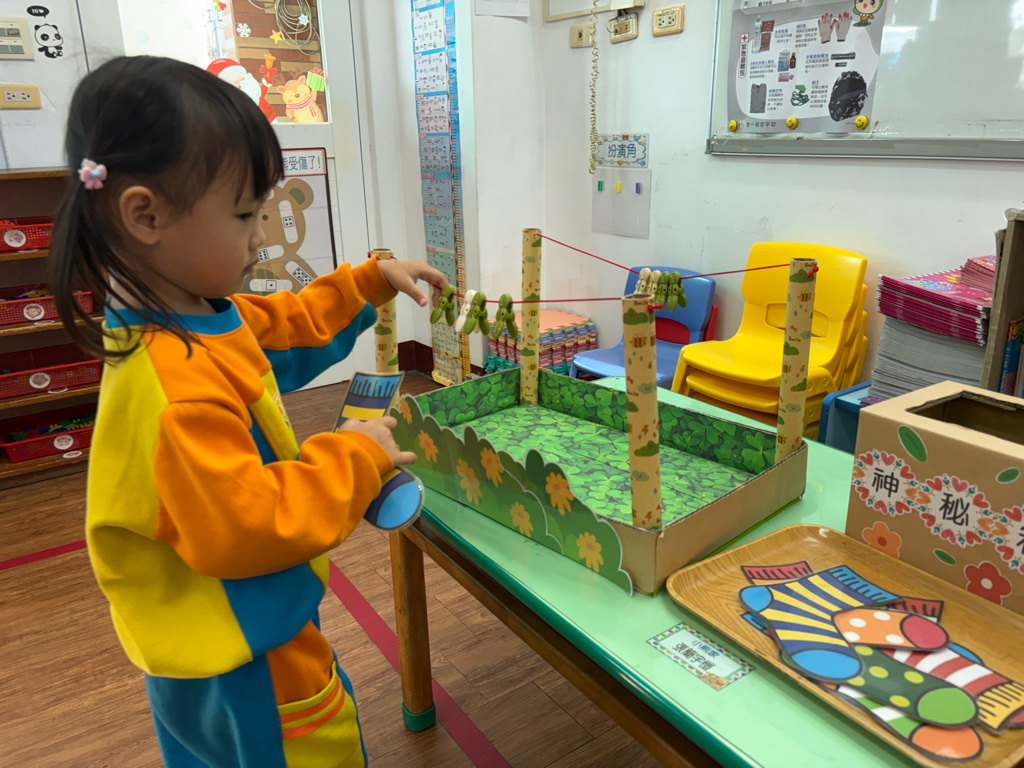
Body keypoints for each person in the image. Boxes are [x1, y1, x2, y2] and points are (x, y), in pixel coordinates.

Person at [49, 55, 446, 767]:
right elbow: (250, 523)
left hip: (213, 642)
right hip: (245, 652)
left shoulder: (183, 311)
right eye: (243, 215)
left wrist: (367, 282)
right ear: (145, 214)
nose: (260, 236)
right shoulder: (172, 387)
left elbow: (284, 329)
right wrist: (356, 454)